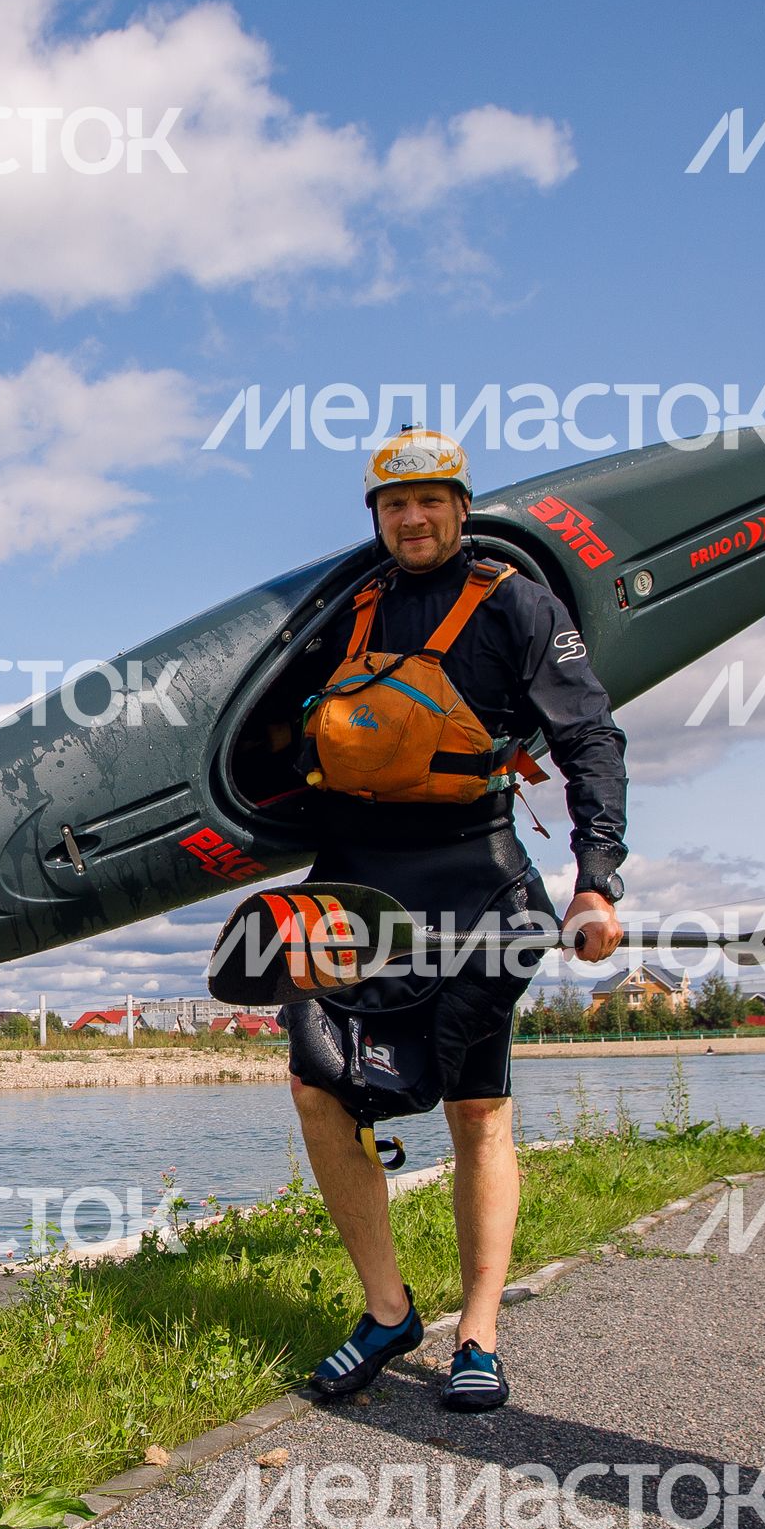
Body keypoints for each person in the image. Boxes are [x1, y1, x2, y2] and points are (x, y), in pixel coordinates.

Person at [288, 428, 627, 1413]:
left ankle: (478, 1332)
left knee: (474, 1104)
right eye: (395, 506)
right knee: (319, 1092)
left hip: (473, 879)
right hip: (351, 886)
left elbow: (588, 735)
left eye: (431, 501)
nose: (414, 519)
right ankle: (387, 1310)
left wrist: (595, 877)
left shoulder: (515, 603)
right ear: (377, 517)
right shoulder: (346, 614)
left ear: (461, 506)